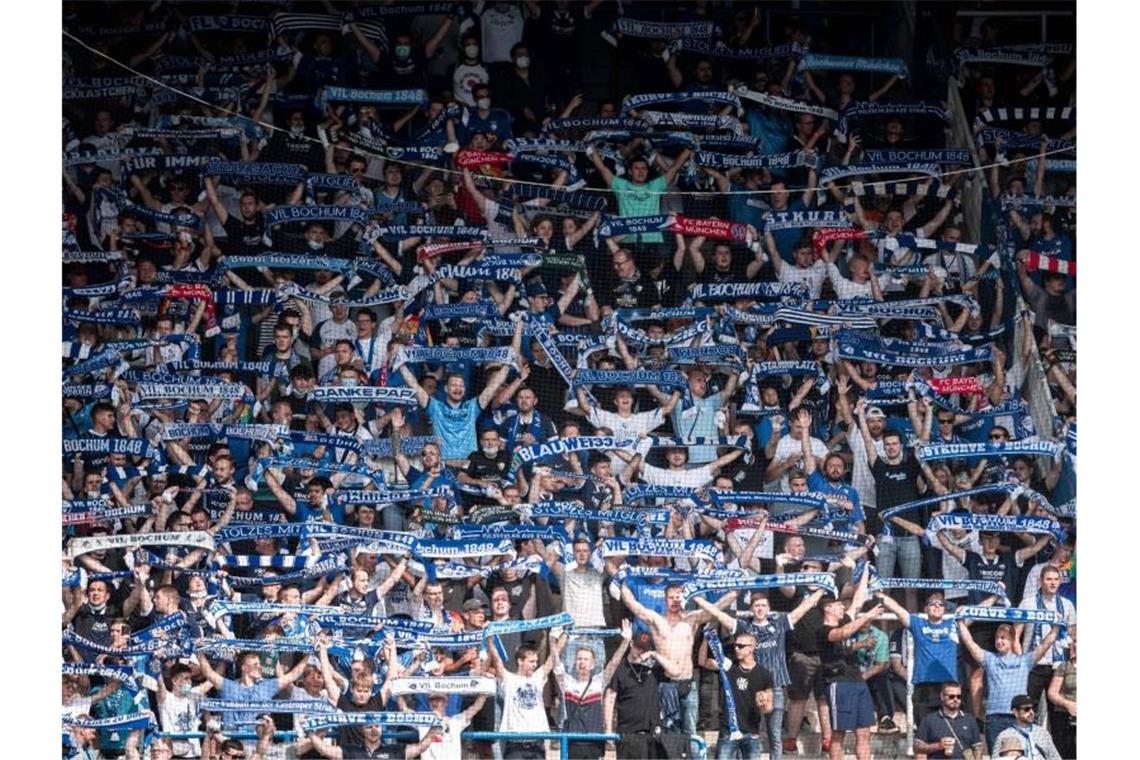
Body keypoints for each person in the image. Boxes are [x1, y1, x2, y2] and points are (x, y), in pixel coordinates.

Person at [957, 619, 1058, 751]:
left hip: (1019, 717)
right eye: (997, 638)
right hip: (994, 719)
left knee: (1020, 756)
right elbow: (970, 644)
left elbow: (1045, 645)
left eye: (1003, 638)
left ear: (1012, 640)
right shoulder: (989, 659)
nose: (999, 641)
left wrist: (1056, 626)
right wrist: (960, 623)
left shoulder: (1024, 661)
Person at [485, 630, 567, 760]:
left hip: (537, 744)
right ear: (520, 661)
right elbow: (497, 660)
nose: (535, 665)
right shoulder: (509, 679)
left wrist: (564, 635)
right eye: (531, 661)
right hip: (515, 745)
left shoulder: (537, 678)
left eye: (536, 661)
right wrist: (489, 639)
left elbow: (552, 659)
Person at [713, 628, 775, 760]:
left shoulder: (764, 674)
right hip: (728, 729)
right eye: (735, 645)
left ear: (751, 648)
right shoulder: (729, 667)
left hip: (751, 731)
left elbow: (769, 707)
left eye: (741, 646)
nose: (736, 649)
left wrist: (763, 704)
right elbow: (703, 662)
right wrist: (705, 640)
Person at [913, 682, 983, 760]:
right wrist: (938, 745)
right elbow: (917, 747)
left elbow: (977, 748)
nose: (955, 699)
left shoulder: (969, 720)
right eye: (951, 696)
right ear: (942, 696)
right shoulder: (929, 720)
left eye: (959, 697)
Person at [993, 695, 1063, 760]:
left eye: (1033, 708)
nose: (1031, 712)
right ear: (1015, 712)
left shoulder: (1042, 733)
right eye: (1027, 709)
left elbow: (1055, 757)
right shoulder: (1005, 735)